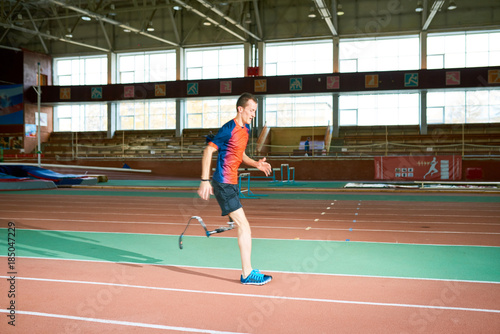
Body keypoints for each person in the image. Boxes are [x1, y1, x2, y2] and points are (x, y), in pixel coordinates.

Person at [197, 92, 273, 286]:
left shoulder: (245, 129)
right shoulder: (228, 128)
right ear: (240, 109)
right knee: (245, 226)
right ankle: (247, 274)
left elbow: (240, 154)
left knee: (242, 225)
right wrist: (205, 180)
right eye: (251, 110)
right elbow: (208, 150)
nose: (254, 115)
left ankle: (247, 271)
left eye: (255, 111)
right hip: (223, 183)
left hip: (231, 183)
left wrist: (256, 164)